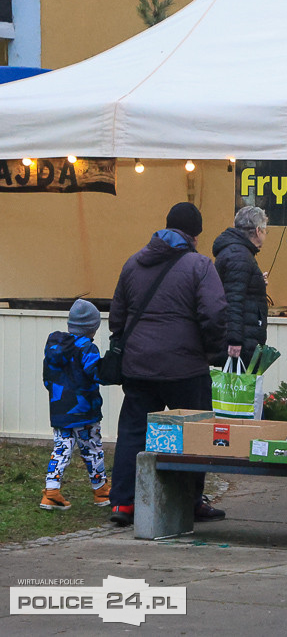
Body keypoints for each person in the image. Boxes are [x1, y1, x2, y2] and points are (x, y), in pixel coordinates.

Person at [108, 202, 227, 527]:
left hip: (138, 365)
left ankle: (123, 503)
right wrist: (211, 350)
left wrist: (126, 345)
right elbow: (215, 313)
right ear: (195, 235)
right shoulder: (200, 265)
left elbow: (117, 314)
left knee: (133, 432)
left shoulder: (134, 262)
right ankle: (189, 502)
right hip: (185, 367)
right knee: (193, 434)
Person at [39, 299, 110, 510]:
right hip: (84, 411)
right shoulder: (87, 348)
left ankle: (51, 492)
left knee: (61, 449)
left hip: (60, 410)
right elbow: (97, 374)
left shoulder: (54, 347)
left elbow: (47, 380)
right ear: (92, 327)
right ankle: (101, 491)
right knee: (92, 448)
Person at [212, 206, 269, 368]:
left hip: (242, 336)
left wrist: (257, 281)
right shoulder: (240, 255)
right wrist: (234, 340)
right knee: (240, 383)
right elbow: (233, 300)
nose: (265, 235)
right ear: (258, 231)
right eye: (265, 231)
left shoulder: (235, 252)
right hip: (242, 341)